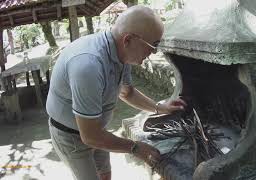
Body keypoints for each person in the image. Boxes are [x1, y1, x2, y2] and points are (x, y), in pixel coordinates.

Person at [46, 5, 186, 180]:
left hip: (98, 129)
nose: (153, 52)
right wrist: (135, 148)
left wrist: (160, 107)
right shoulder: (88, 65)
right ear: (128, 40)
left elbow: (126, 93)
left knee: (105, 175)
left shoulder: (121, 54)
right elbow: (90, 136)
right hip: (72, 137)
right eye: (153, 45)